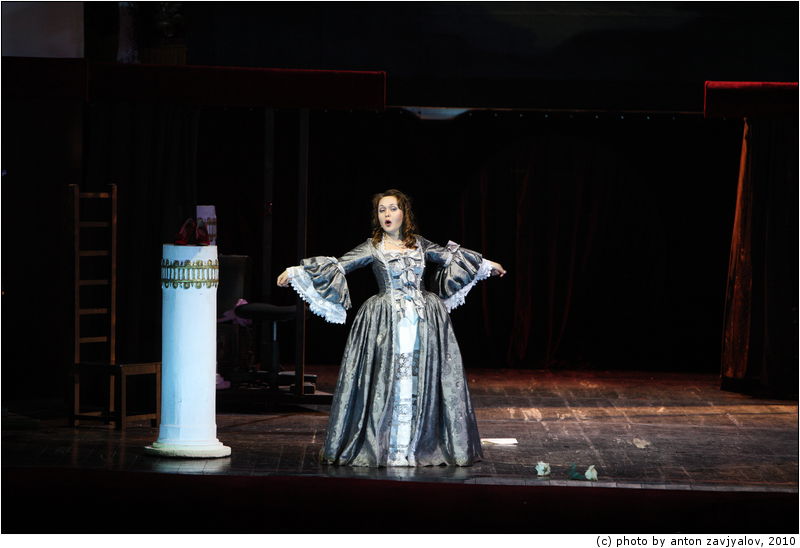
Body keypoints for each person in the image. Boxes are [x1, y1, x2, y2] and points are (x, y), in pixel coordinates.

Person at [277, 189, 506, 467]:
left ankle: (418, 444)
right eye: (381, 210)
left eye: (392, 208)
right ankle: (387, 446)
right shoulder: (372, 246)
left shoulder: (420, 244)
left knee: (421, 377)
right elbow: (339, 265)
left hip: (424, 319)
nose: (386, 214)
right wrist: (296, 272)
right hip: (386, 320)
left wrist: (488, 265)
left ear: (404, 213)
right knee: (388, 379)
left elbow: (451, 257)